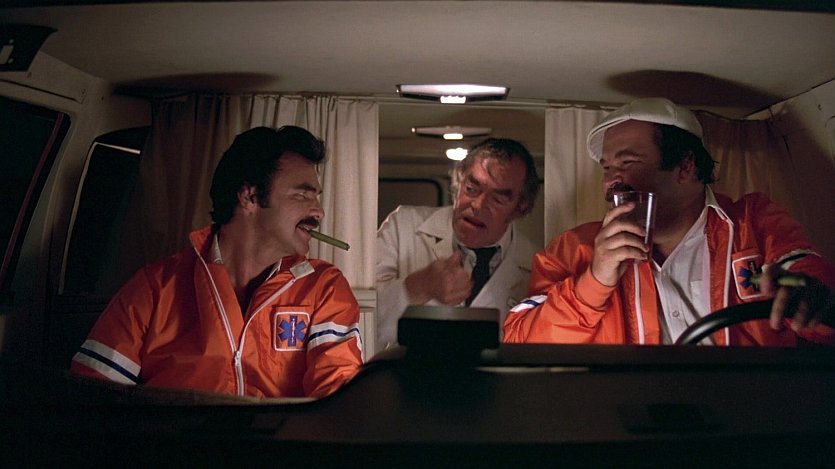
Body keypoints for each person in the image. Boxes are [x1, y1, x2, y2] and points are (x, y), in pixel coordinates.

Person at [504, 98, 835, 346]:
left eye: (627, 163)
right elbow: (520, 342)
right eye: (607, 168)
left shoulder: (754, 222)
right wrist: (594, 282)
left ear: (685, 167)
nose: (611, 182)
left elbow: (813, 284)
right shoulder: (573, 248)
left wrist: (810, 295)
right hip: (627, 415)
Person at [71, 126, 363, 398]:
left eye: (316, 197)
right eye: (302, 195)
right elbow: (92, 398)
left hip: (280, 440)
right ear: (249, 196)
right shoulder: (155, 288)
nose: (318, 212)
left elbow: (338, 396)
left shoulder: (324, 288)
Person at [376, 138, 540, 348]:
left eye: (498, 199)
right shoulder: (403, 226)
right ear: (458, 183)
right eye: (471, 188)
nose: (478, 205)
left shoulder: (536, 267)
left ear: (521, 207)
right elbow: (359, 322)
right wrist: (420, 286)